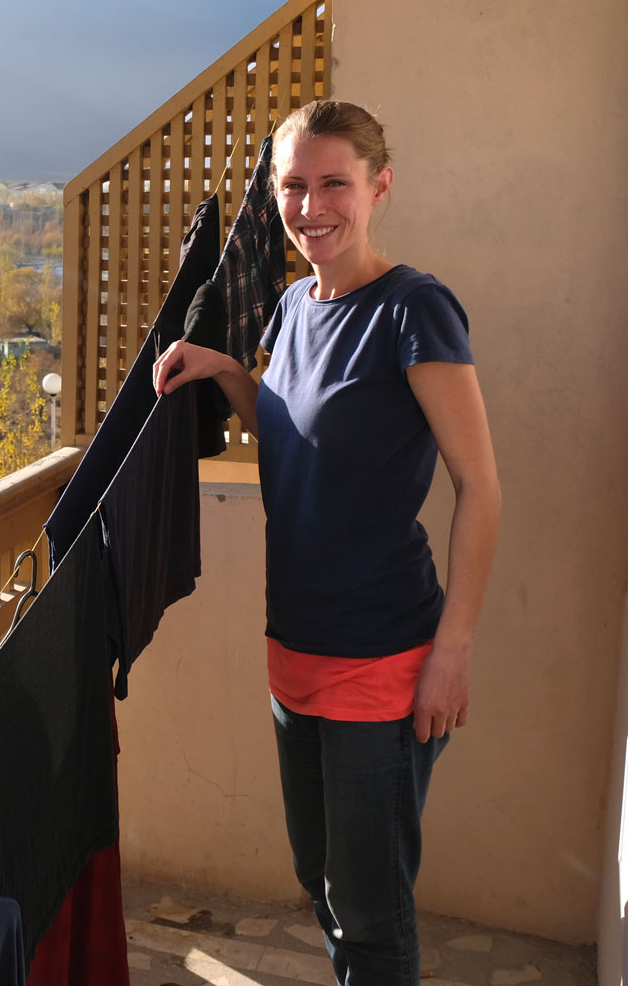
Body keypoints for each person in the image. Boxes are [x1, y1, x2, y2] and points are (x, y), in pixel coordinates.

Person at [152, 101, 501, 985]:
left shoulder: (415, 310)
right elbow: (295, 436)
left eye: (334, 184)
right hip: (293, 649)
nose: (313, 207)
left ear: (379, 187)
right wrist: (228, 370)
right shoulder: (293, 307)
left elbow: (481, 488)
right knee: (322, 882)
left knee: (371, 911)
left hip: (382, 658)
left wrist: (452, 652)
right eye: (294, 187)